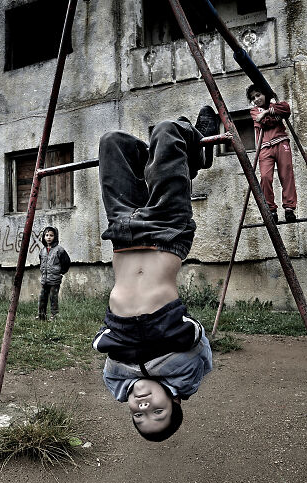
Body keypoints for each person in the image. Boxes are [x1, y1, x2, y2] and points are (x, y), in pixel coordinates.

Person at [92, 106, 219, 442]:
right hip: (167, 233)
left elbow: (109, 363)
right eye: (157, 412)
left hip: (123, 236)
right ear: (174, 400)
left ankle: (180, 159)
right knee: (166, 131)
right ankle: (197, 148)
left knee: (112, 143)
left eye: (138, 415)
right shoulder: (182, 370)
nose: (143, 406)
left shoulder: (119, 376)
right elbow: (199, 347)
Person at [247, 84, 298, 224]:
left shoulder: (274, 105)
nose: (256, 99)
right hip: (264, 147)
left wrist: (268, 111)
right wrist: (270, 113)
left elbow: (286, 108)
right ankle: (271, 210)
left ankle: (289, 209)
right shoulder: (254, 111)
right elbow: (264, 121)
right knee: (265, 177)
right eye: (253, 98)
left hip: (281, 142)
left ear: (265, 94)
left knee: (286, 174)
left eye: (258, 95)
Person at [36, 226, 71, 321]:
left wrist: (61, 273)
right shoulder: (42, 250)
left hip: (55, 279)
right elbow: (41, 262)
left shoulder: (59, 250)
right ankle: (41, 316)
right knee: (42, 297)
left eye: (51, 235)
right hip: (45, 279)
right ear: (43, 237)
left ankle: (54, 316)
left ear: (55, 237)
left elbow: (66, 262)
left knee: (53, 298)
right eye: (46, 235)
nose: (48, 237)